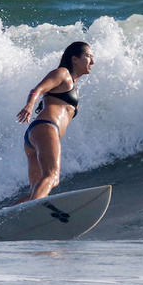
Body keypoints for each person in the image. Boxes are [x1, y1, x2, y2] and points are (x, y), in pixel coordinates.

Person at [14, 41, 94, 203]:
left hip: (36, 134)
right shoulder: (62, 73)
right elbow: (37, 89)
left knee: (36, 192)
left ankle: (2, 219)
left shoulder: (72, 84)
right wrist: (30, 105)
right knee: (52, 176)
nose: (92, 61)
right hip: (46, 128)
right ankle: (29, 215)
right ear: (74, 59)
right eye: (88, 56)